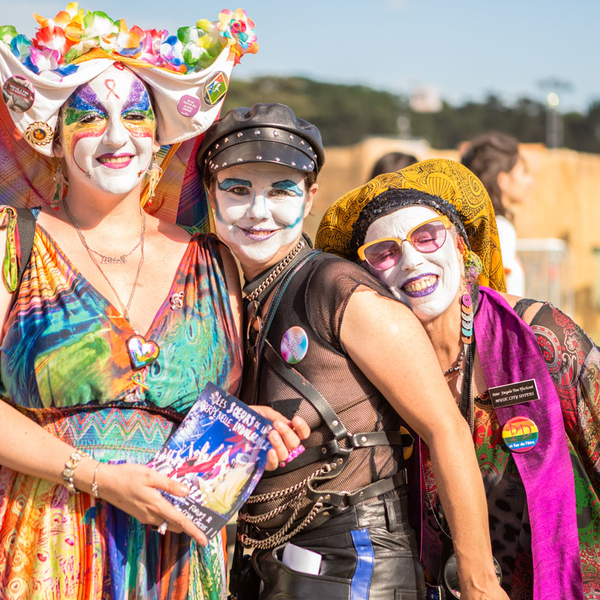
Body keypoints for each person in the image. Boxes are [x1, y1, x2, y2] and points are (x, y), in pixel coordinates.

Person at [0, 8, 308, 599]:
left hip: (182, 558)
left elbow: (223, 407)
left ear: (159, 132)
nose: (118, 137)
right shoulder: (14, 242)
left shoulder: (215, 260)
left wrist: (252, 424)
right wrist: (98, 478)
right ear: (53, 136)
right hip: (49, 545)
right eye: (91, 117)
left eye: (135, 114)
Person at [197, 103, 509, 600]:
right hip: (271, 567)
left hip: (357, 563)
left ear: (310, 196)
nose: (259, 211)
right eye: (238, 189)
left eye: (281, 190)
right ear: (210, 195)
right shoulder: (228, 296)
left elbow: (445, 427)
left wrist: (477, 583)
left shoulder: (337, 287)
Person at [316, 158, 600, 599]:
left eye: (427, 237)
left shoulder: (543, 337)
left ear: (462, 247)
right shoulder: (364, 372)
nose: (411, 260)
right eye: (385, 252)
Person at [461, 132, 534, 296]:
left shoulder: (477, 226)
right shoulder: (500, 229)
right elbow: (499, 296)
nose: (530, 182)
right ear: (503, 181)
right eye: (524, 172)